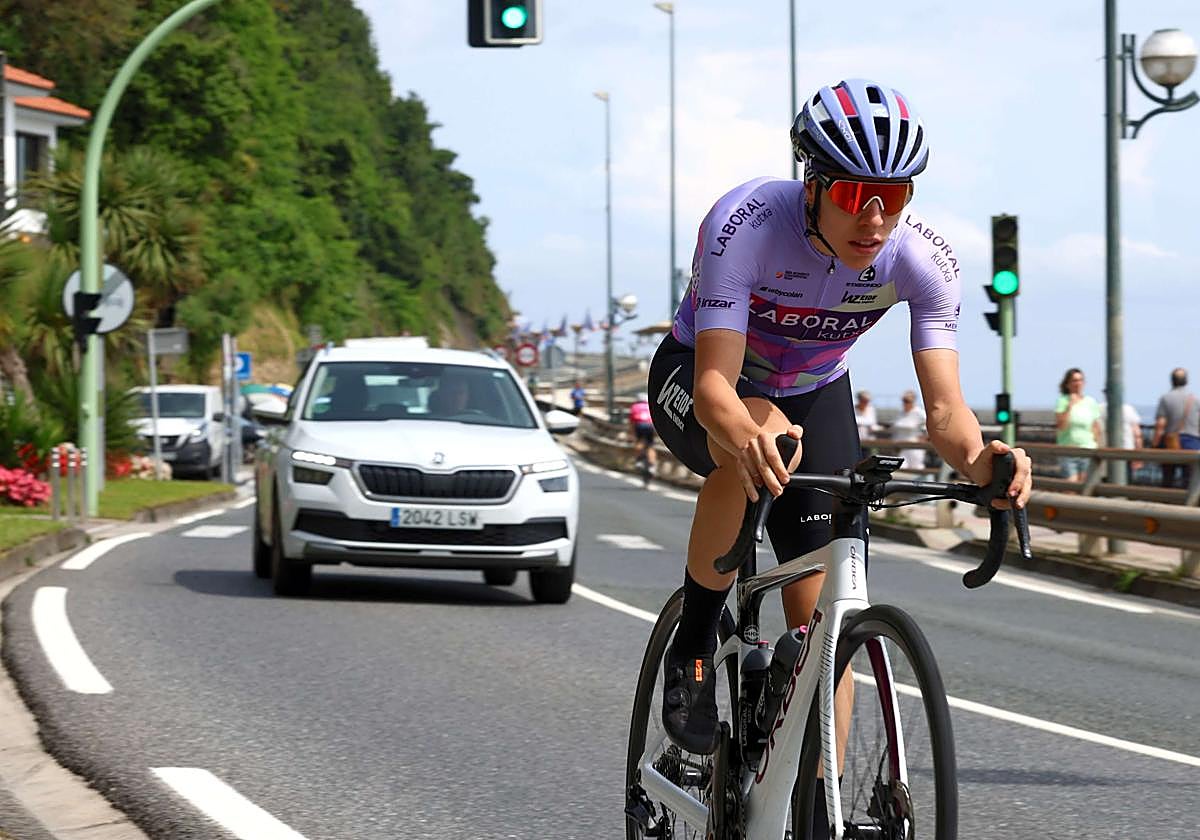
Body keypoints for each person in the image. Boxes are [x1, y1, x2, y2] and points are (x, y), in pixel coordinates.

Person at [646, 79, 1031, 775]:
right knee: (757, 438)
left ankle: (820, 801)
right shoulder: (746, 224)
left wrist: (984, 461)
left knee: (826, 626)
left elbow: (946, 413)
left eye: (895, 195)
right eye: (855, 195)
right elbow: (713, 388)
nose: (875, 219)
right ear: (814, 184)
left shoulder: (923, 260)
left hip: (815, 394)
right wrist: (750, 434)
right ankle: (695, 643)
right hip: (704, 377)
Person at [1152, 367, 1199, 488]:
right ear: (1186, 381)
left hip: (1171, 442)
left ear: (1171, 381)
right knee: (1190, 479)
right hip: (1192, 442)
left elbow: (1160, 424)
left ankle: (1167, 498)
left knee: (1168, 477)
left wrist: (1155, 444)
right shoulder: (1195, 399)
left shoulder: (1166, 398)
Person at [1054, 368, 1102, 482]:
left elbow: (1095, 427)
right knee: (1070, 485)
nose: (1078, 383)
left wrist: (1097, 447)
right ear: (1068, 384)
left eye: (1080, 380)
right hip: (1068, 450)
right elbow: (1061, 426)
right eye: (1074, 380)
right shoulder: (1062, 401)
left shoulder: (1090, 402)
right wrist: (1069, 406)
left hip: (1088, 449)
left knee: (1085, 485)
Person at [890, 389, 928, 470]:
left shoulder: (919, 413)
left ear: (913, 401)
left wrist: (924, 439)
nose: (905, 403)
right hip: (901, 446)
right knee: (901, 468)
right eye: (904, 400)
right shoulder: (900, 413)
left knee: (917, 467)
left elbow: (928, 427)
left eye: (907, 401)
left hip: (915, 446)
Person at [628, 392, 657, 478]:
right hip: (650, 426)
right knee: (651, 446)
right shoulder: (650, 406)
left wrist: (631, 434)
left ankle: (639, 461)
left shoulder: (634, 407)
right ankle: (652, 466)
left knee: (639, 442)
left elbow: (632, 423)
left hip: (639, 425)